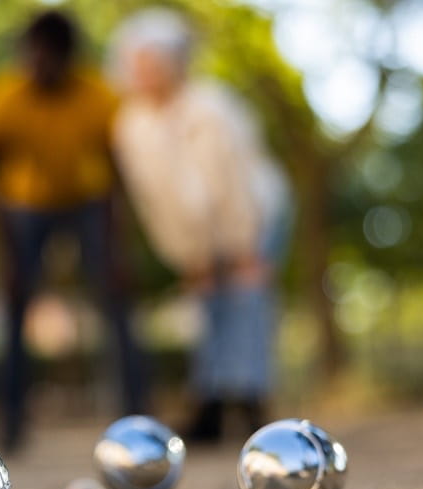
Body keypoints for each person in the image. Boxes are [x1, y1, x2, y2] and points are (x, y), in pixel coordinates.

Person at [110, 9, 292, 442]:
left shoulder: (212, 106)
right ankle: (209, 406)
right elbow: (154, 203)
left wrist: (247, 248)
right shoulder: (130, 126)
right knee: (207, 306)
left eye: (153, 63)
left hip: (257, 212)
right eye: (137, 63)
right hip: (198, 233)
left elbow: (232, 182)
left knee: (246, 302)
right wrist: (189, 257)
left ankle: (252, 406)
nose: (144, 73)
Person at [0, 10, 149, 451]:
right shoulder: (6, 96)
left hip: (86, 204)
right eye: (31, 55)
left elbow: (116, 175)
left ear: (68, 58)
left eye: (49, 56)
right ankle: (11, 423)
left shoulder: (97, 96)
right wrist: (5, 256)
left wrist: (117, 251)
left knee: (117, 306)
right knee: (15, 310)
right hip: (24, 208)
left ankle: (137, 419)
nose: (38, 64)